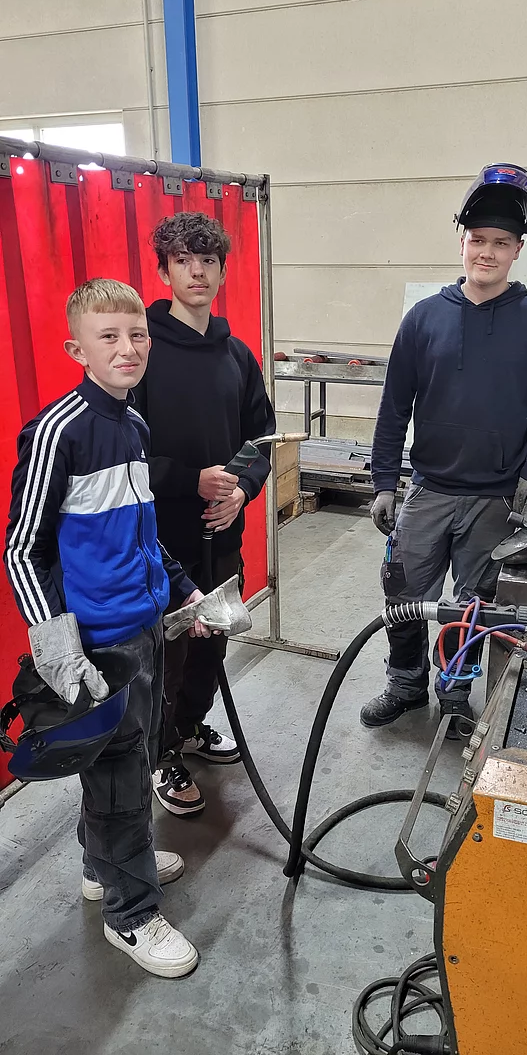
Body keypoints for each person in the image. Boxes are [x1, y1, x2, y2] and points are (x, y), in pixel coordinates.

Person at [4, 278, 219, 977]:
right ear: (78, 350)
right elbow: (21, 548)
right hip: (99, 646)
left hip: (146, 627)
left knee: (129, 761)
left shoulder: (133, 426)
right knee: (122, 776)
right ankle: (131, 914)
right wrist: (57, 646)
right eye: (109, 337)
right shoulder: (58, 431)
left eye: (137, 336)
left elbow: (142, 533)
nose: (128, 349)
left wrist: (185, 590)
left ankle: (105, 865)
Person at [361, 163, 527, 738]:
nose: (486, 252)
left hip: (496, 500)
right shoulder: (424, 319)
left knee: (474, 606)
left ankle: (455, 695)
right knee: (404, 594)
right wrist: (385, 482)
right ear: (462, 241)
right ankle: (406, 683)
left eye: (500, 243)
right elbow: (394, 408)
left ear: (518, 249)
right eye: (477, 240)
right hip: (429, 491)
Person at [133, 211, 275, 816]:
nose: (197, 271)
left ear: (222, 271)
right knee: (165, 654)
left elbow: (260, 438)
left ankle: (189, 728)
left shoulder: (236, 354)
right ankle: (159, 753)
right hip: (161, 542)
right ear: (164, 270)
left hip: (223, 535)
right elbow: (124, 454)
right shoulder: (141, 352)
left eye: (208, 260)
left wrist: (242, 490)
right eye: (183, 260)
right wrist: (188, 480)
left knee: (212, 643)